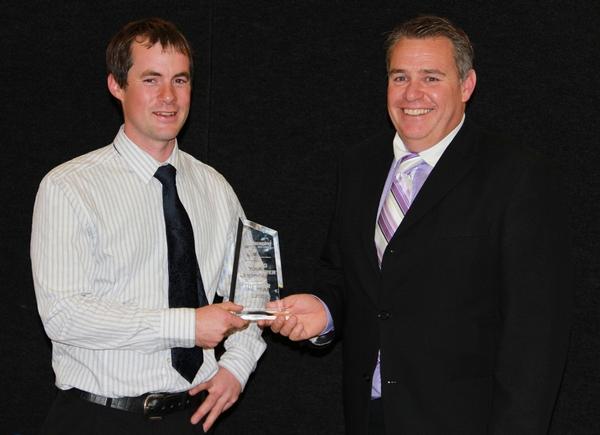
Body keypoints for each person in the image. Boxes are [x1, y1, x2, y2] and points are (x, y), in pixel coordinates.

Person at [263, 15, 572, 434]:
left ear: (466, 86)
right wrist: (323, 311)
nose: (412, 94)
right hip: (369, 415)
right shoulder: (357, 166)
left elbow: (535, 335)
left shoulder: (516, 175)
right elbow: (343, 273)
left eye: (431, 78)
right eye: (400, 77)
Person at [31, 18, 265, 434]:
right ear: (116, 86)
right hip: (96, 418)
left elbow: (253, 292)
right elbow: (63, 314)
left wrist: (237, 367)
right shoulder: (69, 186)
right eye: (151, 79)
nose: (169, 97)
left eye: (180, 79)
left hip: (191, 418)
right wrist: (186, 325)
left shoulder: (215, 187)